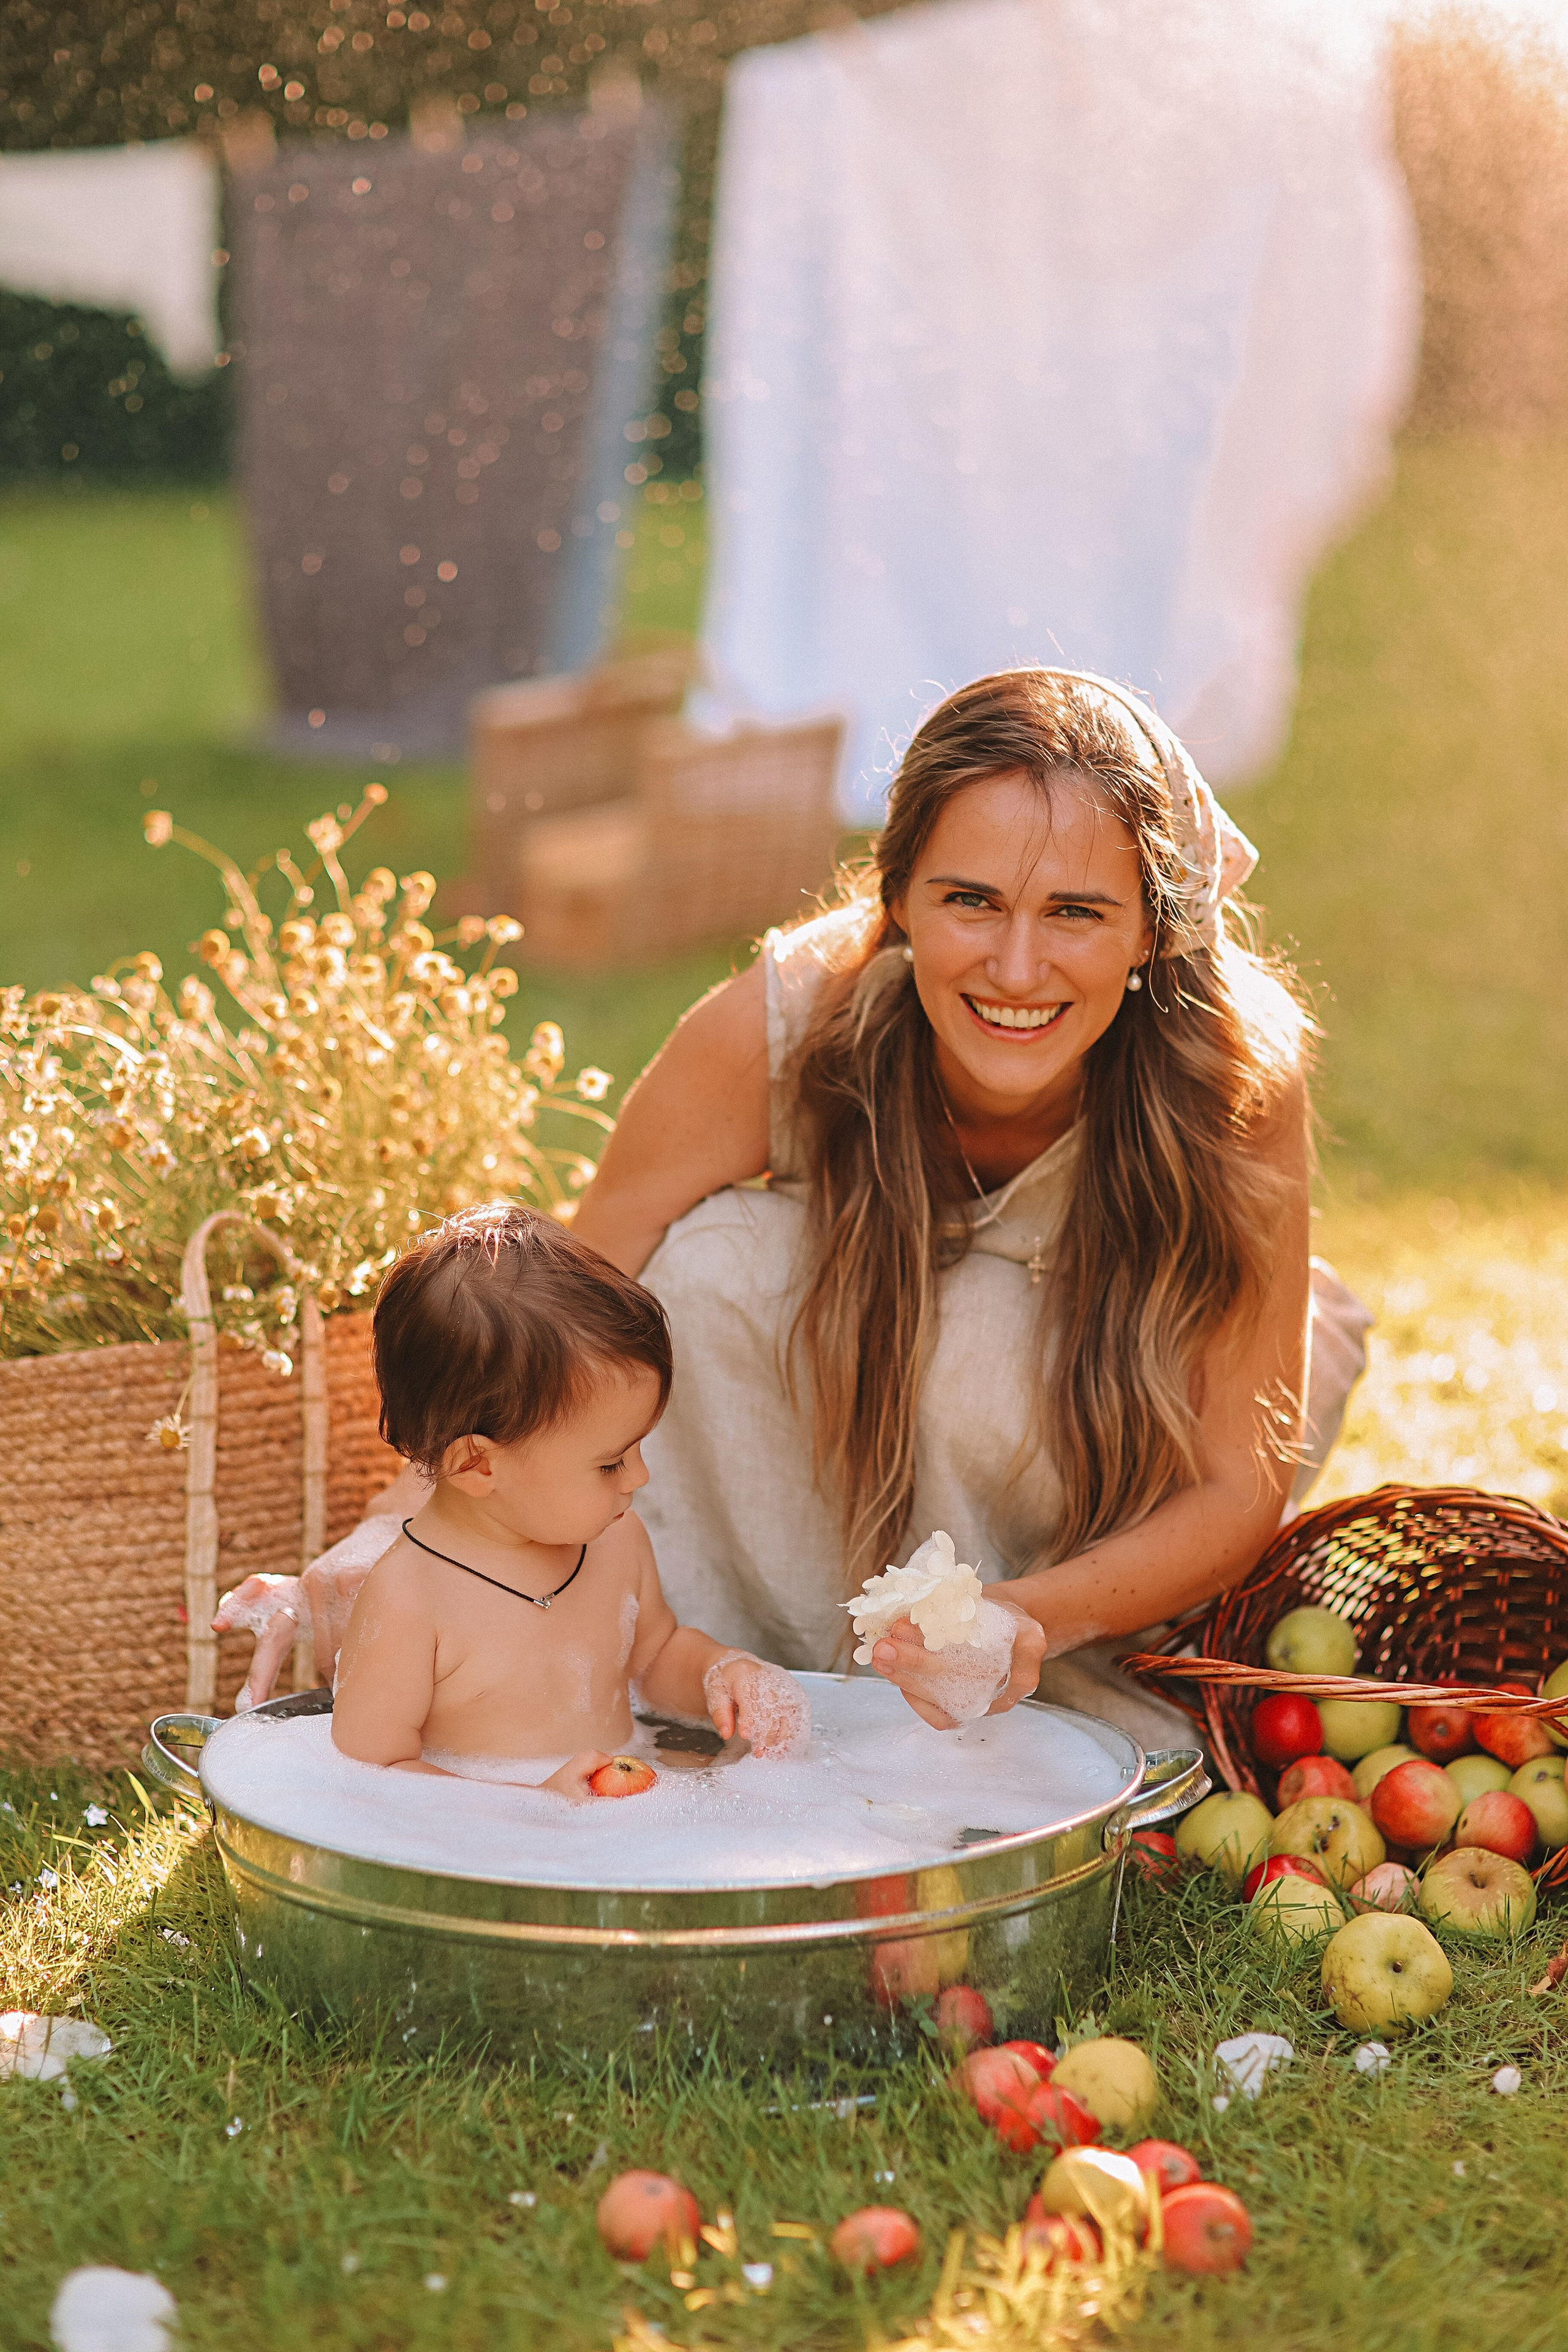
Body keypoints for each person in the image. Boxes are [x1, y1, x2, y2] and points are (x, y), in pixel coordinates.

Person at [222, 668, 1368, 1749]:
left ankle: (998, 1691)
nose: (1018, 969)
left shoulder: (1230, 1077)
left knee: (977, 1347)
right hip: (857, 1404)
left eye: (1076, 913)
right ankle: (725, 1659)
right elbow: (540, 1340)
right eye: (970, 900)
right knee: (710, 1264)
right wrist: (390, 1537)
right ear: (901, 896)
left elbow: (1235, 1483)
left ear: (1152, 928)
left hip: (1105, 1444)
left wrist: (1026, 1619)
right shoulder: (780, 1027)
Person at [330, 1204, 809, 1796]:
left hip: (615, 1817)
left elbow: (654, 1656)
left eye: (636, 1449)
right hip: (483, 1852)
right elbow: (371, 1774)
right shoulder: (409, 1598)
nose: (639, 1477)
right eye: (610, 1462)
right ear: (478, 1464)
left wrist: (720, 1669)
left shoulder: (615, 1540)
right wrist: (531, 1807)